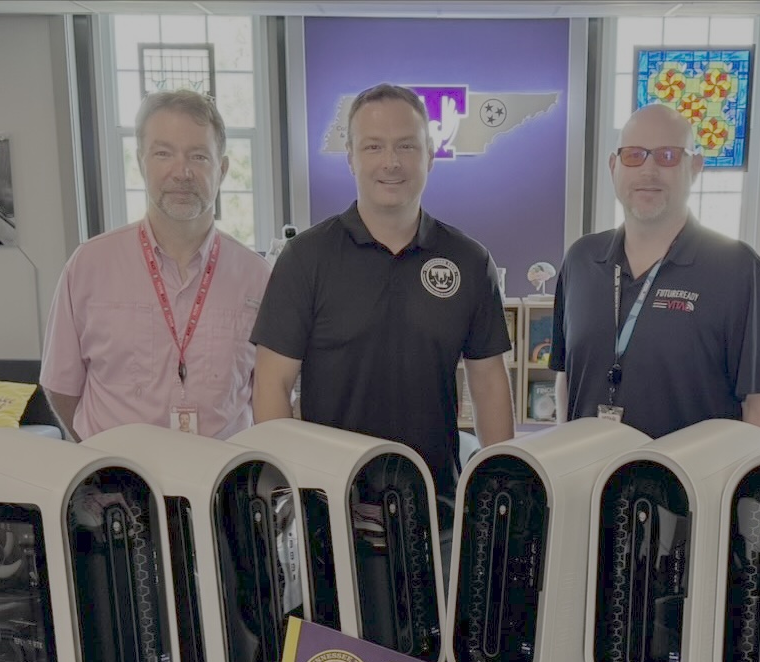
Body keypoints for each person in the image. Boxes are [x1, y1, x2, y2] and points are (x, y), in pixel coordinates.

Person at [251, 82, 513, 509]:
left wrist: (504, 483)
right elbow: (272, 382)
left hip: (437, 508)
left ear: (430, 154)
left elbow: (488, 382)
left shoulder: (468, 260)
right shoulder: (306, 258)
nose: (391, 162)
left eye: (406, 146)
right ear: (351, 157)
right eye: (373, 147)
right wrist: (293, 489)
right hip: (331, 508)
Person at [42, 90, 270, 441]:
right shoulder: (88, 267)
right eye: (164, 153)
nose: (182, 172)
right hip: (116, 486)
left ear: (222, 169)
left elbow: (269, 394)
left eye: (199, 156)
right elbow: (62, 387)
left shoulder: (257, 277)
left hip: (221, 487)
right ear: (140, 162)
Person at [549, 104, 760, 436]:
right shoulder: (581, 261)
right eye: (634, 155)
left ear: (695, 166)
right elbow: (566, 377)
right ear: (613, 166)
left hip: (692, 485)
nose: (649, 171)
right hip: (588, 481)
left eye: (668, 156)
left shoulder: (738, 271)